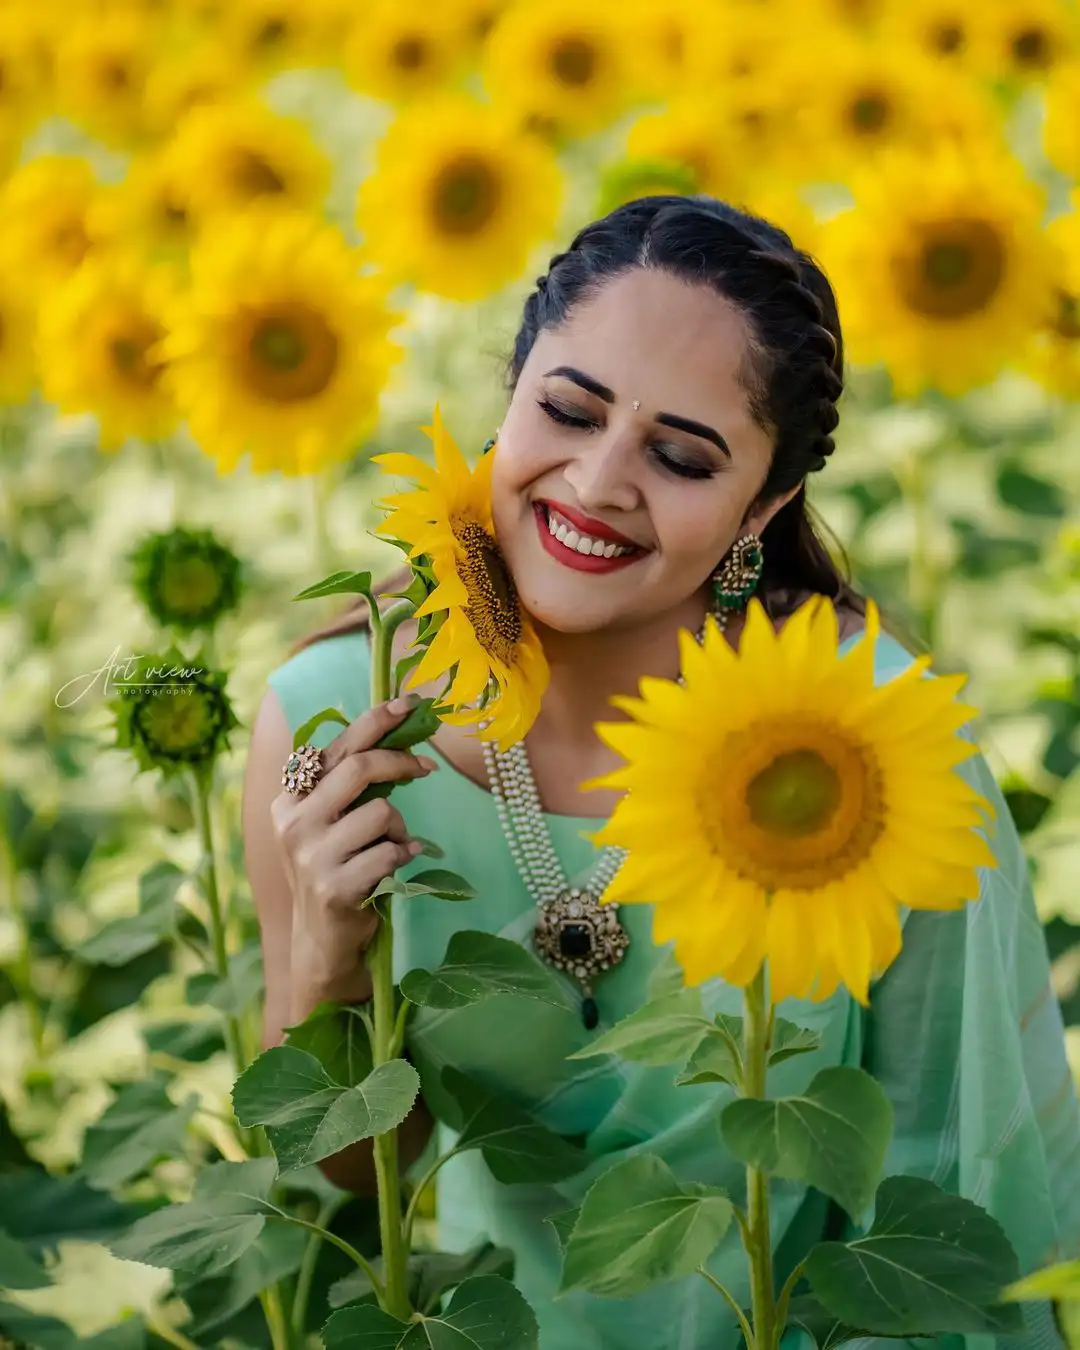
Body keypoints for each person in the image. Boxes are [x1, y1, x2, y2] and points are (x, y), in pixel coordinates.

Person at [242, 196, 1080, 1350]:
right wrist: (328, 960)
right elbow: (351, 1174)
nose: (596, 485)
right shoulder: (335, 724)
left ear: (764, 505)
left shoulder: (863, 739)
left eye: (681, 456)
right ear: (511, 396)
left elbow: (948, 1160)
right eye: (567, 411)